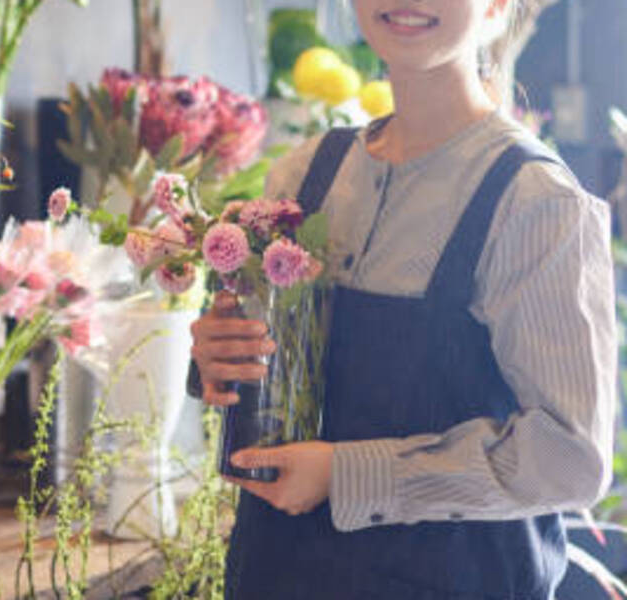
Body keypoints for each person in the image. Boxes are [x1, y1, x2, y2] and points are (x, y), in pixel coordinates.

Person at [189, 0, 617, 598]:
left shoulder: (537, 204)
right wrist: (220, 357)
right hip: (278, 572)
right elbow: (278, 391)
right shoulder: (302, 175)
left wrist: (348, 475)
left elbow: (569, 459)